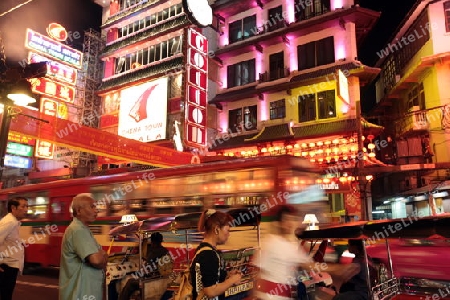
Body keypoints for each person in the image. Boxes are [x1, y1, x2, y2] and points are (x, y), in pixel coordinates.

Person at [254, 204, 314, 300]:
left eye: (293, 219)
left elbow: (308, 265)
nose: (290, 223)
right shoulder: (270, 242)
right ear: (280, 222)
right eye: (286, 219)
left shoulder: (292, 245)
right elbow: (257, 272)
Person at [59, 193, 108, 300]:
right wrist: (103, 255)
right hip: (81, 292)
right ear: (79, 211)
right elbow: (96, 260)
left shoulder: (83, 229)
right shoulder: (78, 230)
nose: (96, 210)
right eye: (92, 206)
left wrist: (102, 255)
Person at [190, 209, 242, 300]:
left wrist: (227, 275)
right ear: (217, 229)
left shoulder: (203, 249)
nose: (229, 234)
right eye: (227, 230)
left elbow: (209, 276)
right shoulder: (208, 254)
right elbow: (210, 291)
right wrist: (232, 280)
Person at [118, 232, 172, 300]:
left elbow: (147, 268)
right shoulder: (165, 250)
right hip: (160, 278)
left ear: (152, 242)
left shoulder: (153, 252)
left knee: (130, 282)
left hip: (152, 279)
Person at [0, 197, 28, 300]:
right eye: (23, 206)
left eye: (27, 206)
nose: (26, 209)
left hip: (9, 265)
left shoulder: (13, 221)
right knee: (6, 296)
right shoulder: (9, 222)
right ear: (13, 208)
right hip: (7, 266)